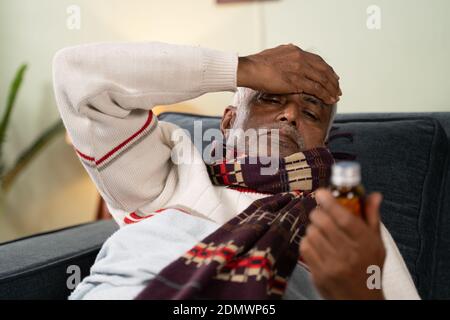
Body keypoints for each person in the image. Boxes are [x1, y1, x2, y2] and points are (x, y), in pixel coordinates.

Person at [53, 42, 419, 299]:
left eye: (310, 113)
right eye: (269, 98)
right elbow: (76, 75)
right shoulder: (165, 174)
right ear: (228, 122)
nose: (290, 115)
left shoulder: (346, 222)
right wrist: (244, 68)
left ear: (324, 142)